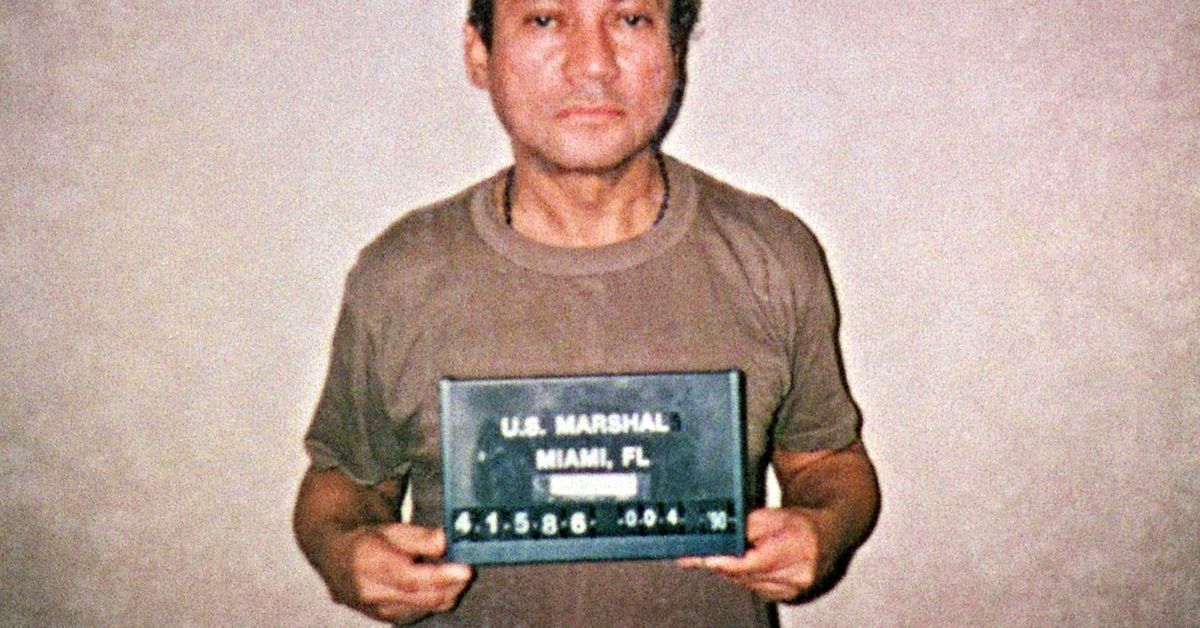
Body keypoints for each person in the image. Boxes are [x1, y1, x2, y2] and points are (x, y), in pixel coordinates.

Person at [292, 1, 881, 625]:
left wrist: (824, 529)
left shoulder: (769, 257)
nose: (593, 64)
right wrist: (344, 554)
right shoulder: (401, 275)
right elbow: (345, 482)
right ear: (479, 53)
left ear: (675, 49)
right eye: (546, 20)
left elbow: (827, 461)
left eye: (630, 19)